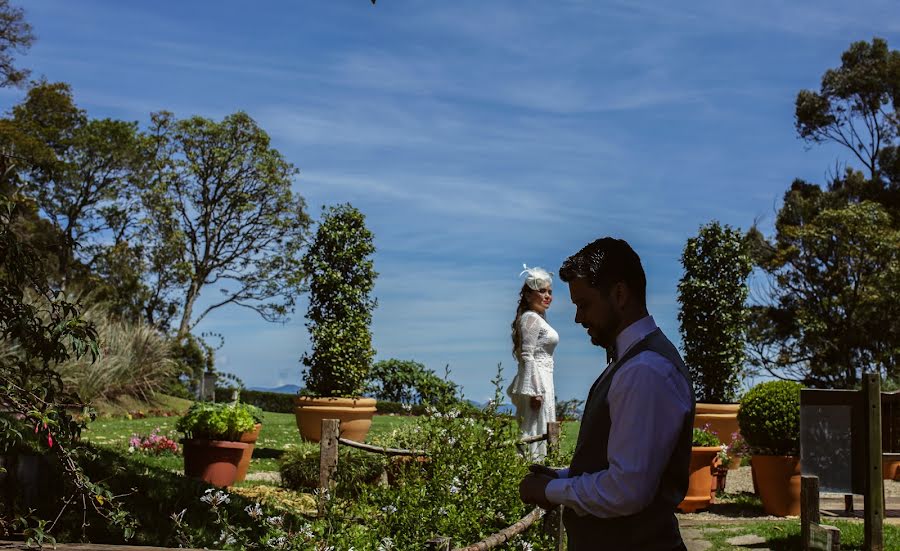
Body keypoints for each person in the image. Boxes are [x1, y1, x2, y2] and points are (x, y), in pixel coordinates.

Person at [517, 238, 695, 551]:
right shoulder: (633, 362)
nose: (578, 318)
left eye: (584, 304)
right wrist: (560, 476)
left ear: (619, 294)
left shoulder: (645, 370)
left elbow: (626, 489)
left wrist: (550, 491)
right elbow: (623, 464)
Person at [507, 264, 558, 460]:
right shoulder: (530, 318)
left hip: (545, 380)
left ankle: (543, 465)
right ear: (528, 295)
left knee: (545, 425)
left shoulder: (539, 318)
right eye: (542, 291)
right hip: (537, 383)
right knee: (534, 426)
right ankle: (532, 468)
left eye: (550, 292)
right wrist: (534, 391)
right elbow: (526, 355)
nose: (547, 296)